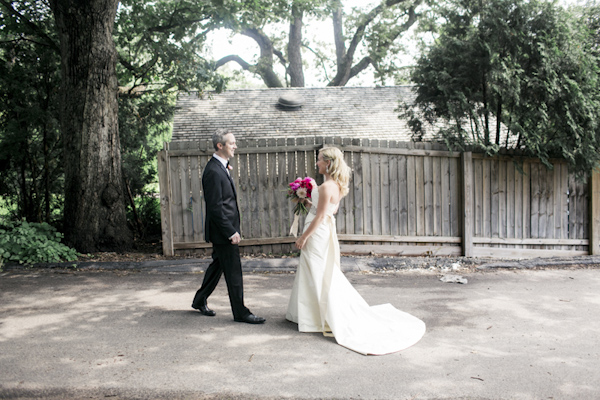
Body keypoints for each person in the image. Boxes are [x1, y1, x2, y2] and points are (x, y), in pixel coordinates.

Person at [286, 147, 425, 354]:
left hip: (317, 232)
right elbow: (324, 210)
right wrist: (305, 199)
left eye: (319, 160)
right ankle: (311, 314)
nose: (317, 164)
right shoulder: (336, 185)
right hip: (324, 230)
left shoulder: (325, 187)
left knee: (318, 271)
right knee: (317, 271)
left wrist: (304, 236)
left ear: (329, 163)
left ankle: (323, 315)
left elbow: (320, 216)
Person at [192, 129, 265, 324]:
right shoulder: (214, 171)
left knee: (218, 266)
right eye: (231, 143)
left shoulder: (221, 166)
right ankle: (241, 312)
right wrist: (230, 231)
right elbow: (215, 208)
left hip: (223, 230)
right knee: (233, 271)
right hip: (223, 231)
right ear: (220, 146)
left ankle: (199, 300)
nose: (235, 146)